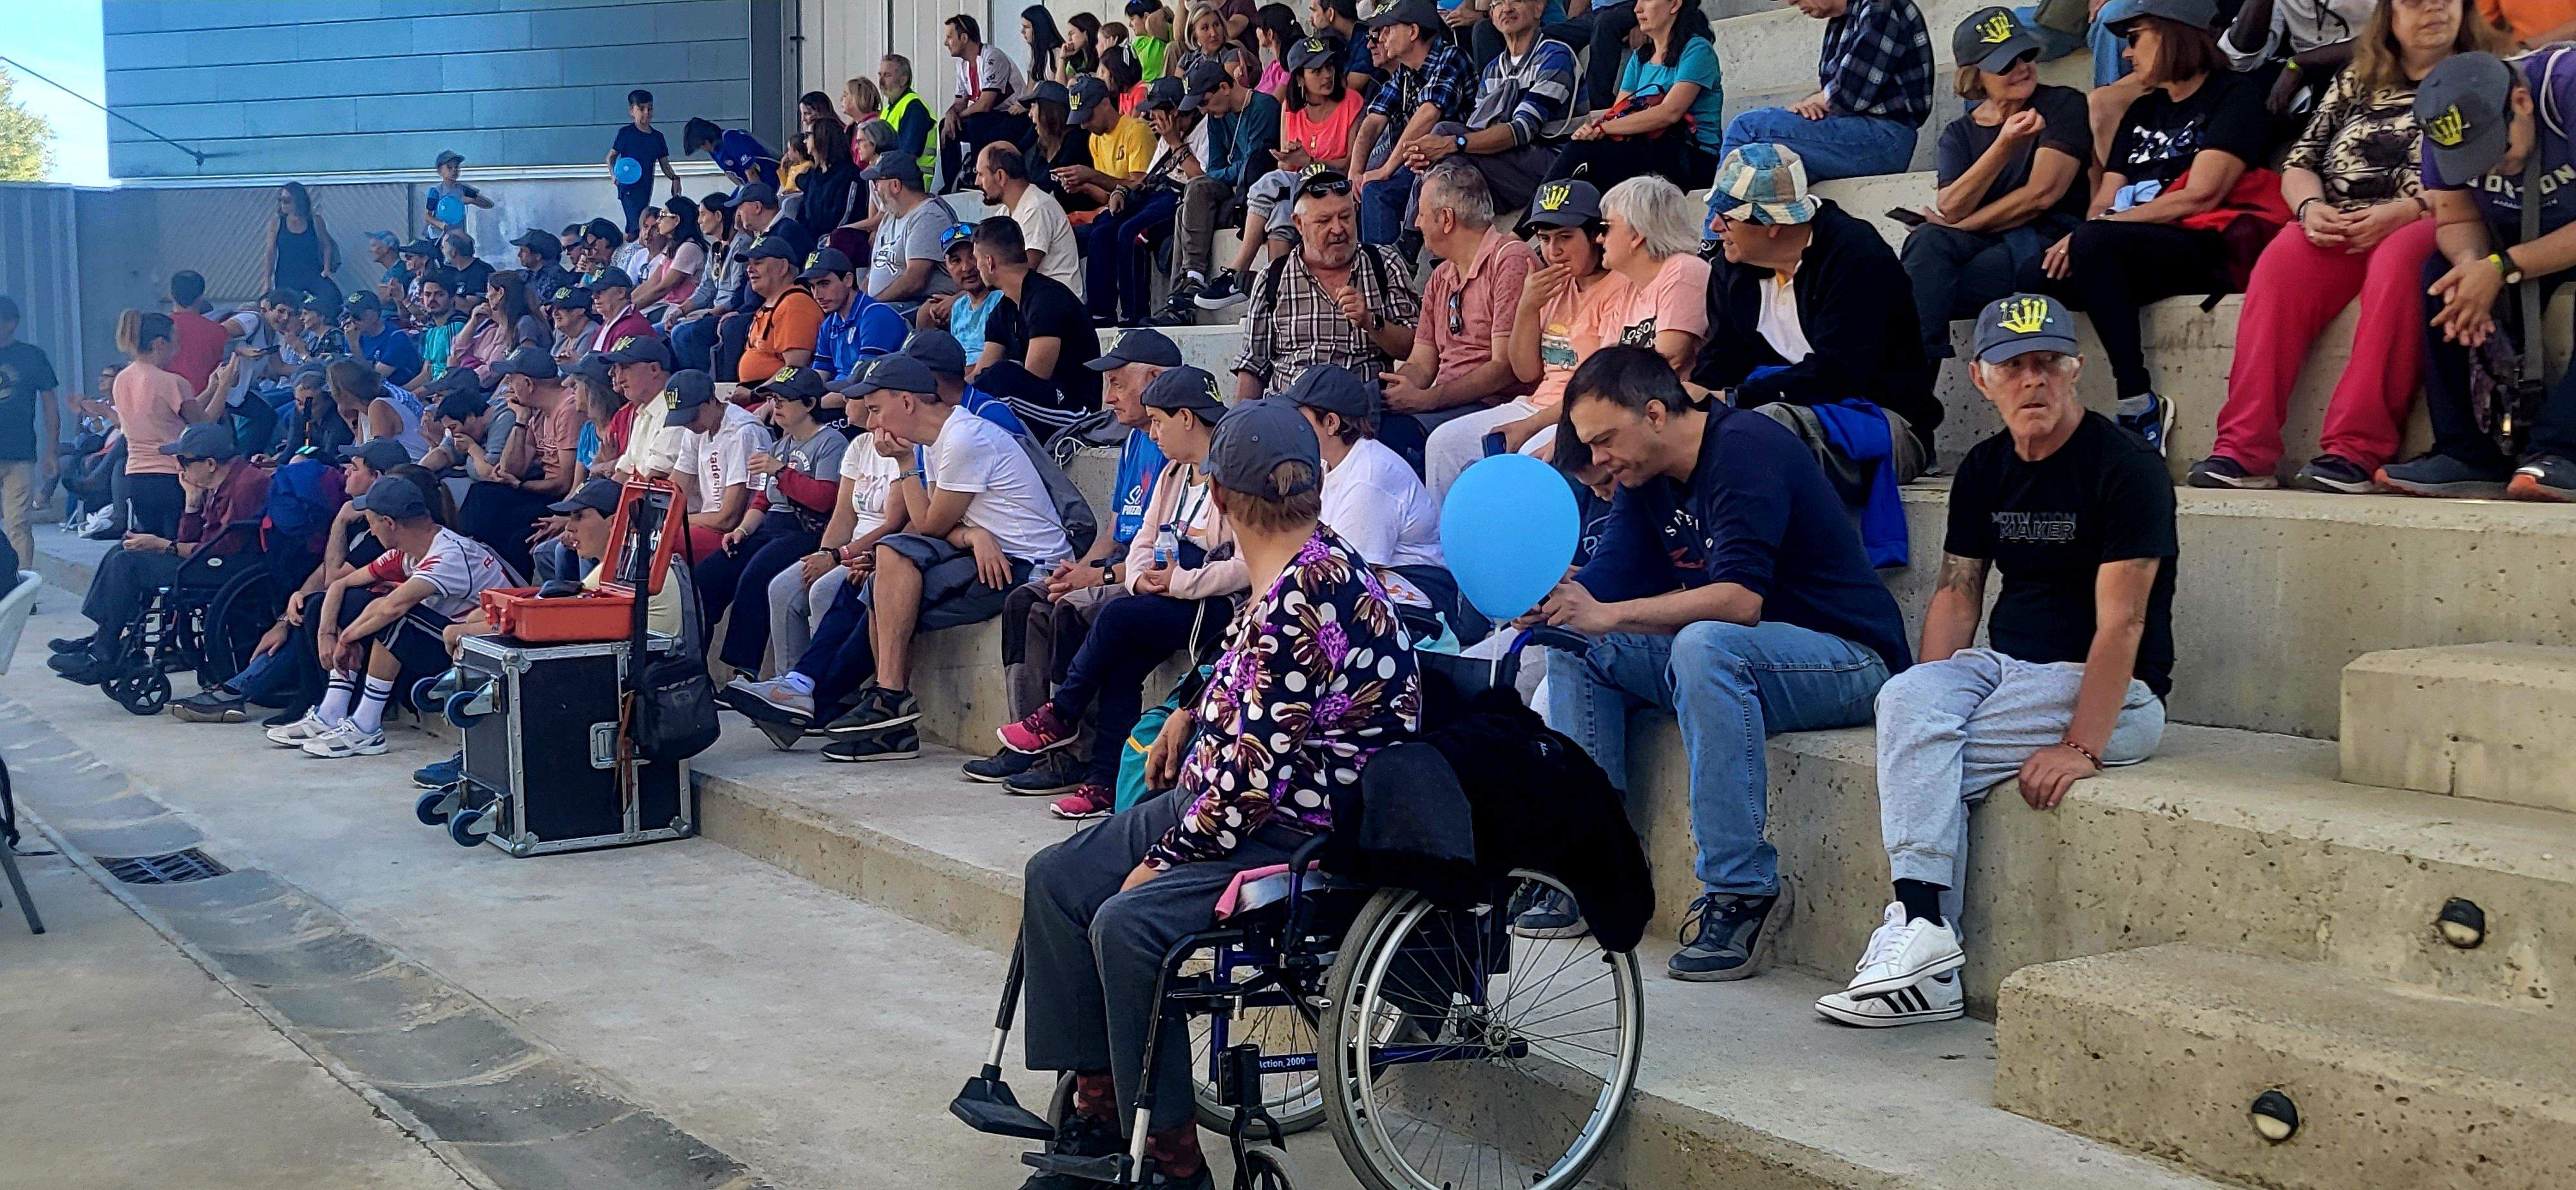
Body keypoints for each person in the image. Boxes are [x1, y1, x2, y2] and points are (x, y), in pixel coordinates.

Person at [1016, 396, 1418, 1188]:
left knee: (1127, 923)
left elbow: (1250, 785)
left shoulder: (1304, 596)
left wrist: (1163, 861)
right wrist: (1192, 710)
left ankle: (1170, 1156)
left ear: (1223, 499)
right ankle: (1100, 1107)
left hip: (1291, 827)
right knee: (1054, 879)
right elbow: (1254, 679)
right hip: (1227, 799)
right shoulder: (1308, 560)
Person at [1821, 292, 2174, 1026]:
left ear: (2075, 370)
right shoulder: (1984, 467)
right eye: (2012, 366)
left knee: (1926, 755)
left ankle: (1920, 938)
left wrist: (2082, 744)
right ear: (1981, 379)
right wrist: (1925, 688)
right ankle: (1925, 938)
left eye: (2048, 362)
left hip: (2114, 692)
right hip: (2005, 668)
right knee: (1905, 708)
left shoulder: (2126, 467)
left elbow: (2125, 621)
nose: (2032, 380)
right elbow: (1956, 592)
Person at [1530, 346, 1909, 980]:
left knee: (1703, 642)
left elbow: (1740, 602)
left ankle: (1741, 888)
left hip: (1845, 659)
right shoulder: (1641, 479)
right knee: (1573, 641)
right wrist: (1555, 602)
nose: (1595, 461)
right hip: (1741, 660)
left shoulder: (1746, 450)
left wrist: (1609, 614)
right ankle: (1593, 858)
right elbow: (1609, 579)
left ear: (1654, 413)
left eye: (1602, 441)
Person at [2192, 0, 2490, 493]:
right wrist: (2310, 210)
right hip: (2339, 217)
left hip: (2431, 216)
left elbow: (2491, 171)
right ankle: (2244, 450)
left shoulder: (2486, 76)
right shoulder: (2360, 76)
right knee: (2281, 262)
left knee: (2399, 265)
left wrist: (2406, 211)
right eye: (2415, 0)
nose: (2434, 7)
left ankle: (2357, 448)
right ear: (2388, 15)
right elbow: (2301, 161)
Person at [726, 355, 1072, 761]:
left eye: (875, 409)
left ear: (906, 402)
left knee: (888, 570)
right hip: (986, 554)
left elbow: (927, 525)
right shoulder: (941, 438)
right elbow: (942, 526)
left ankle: (876, 703)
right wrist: (973, 534)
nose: (871, 424)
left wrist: (905, 465)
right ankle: (878, 706)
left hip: (1026, 565)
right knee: (882, 566)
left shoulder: (963, 438)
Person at [996, 365, 1245, 820]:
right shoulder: (1173, 474)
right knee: (1122, 664)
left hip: (1215, 606)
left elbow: (1247, 565)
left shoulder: (1232, 474)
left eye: (1159, 422)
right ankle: (1104, 784)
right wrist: (1138, 578)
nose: (1152, 434)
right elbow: (1142, 542)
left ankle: (1061, 714)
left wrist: (1178, 583)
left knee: (1117, 619)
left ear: (1187, 418)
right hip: (1166, 595)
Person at [2024, 0, 2269, 457]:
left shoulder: (2234, 95)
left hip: (2202, 246)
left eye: (2136, 38)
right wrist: (2085, 233)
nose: (2126, 55)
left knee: (2094, 243)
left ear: (2175, 33)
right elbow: (2105, 197)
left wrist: (2096, 231)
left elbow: (2202, 194)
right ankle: (2053, 415)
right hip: (2130, 248)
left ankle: (2137, 401)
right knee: (2030, 275)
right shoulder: (2142, 111)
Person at [967, 331, 1176, 793]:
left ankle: (1073, 755)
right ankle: (1028, 742)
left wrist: (1094, 577)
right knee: (1028, 600)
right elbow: (1113, 529)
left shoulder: (1177, 447)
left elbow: (1165, 557)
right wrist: (1076, 568)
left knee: (1073, 610)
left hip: (1145, 578)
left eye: (1119, 383)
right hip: (1115, 565)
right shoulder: (1133, 443)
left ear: (1157, 380)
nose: (1108, 397)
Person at [2376, 50, 2576, 499]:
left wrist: (2501, 267)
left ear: (2521, 103)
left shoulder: (2567, 88)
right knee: (2441, 275)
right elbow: (2453, 217)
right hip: (2516, 232)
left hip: (2557, 231)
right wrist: (2471, 265)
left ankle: (2564, 452)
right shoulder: (2443, 120)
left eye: (2494, 150)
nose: (2486, 168)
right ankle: (2467, 452)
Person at [1693, 144, 1940, 482]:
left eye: (1728, 216)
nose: (1715, 226)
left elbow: (1841, 372)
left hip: (1880, 420)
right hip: (1775, 412)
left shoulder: (1856, 256)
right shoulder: (1732, 266)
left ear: (1771, 223)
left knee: (1767, 428)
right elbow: (1721, 357)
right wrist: (1688, 400)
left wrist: (1737, 398)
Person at [1903, 8, 2094, 364]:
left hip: (2047, 243)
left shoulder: (2063, 103)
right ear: (1976, 76)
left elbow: (2041, 196)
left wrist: (1961, 228)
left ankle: (1912, 393)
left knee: (1920, 290)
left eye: (2026, 55)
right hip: (1986, 243)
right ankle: (1915, 386)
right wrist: (2003, 146)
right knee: (1926, 242)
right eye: (2006, 63)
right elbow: (1953, 204)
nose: (2022, 67)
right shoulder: (1959, 133)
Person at [293, 475, 520, 759]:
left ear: (389, 522)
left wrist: (347, 639)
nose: (371, 532)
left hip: (486, 650)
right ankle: (332, 711)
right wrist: (327, 634)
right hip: (452, 643)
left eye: (371, 523)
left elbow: (393, 608)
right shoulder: (406, 553)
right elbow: (340, 583)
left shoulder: (449, 553)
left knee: (399, 618)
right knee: (361, 603)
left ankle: (366, 727)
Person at [48, 422, 269, 687]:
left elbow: (221, 549)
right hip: (210, 560)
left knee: (128, 563)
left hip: (229, 568)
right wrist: (191, 502)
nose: (180, 468)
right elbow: (191, 540)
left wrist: (163, 546)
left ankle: (104, 651)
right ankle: (104, 637)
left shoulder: (245, 486)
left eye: (184, 461)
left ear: (210, 463)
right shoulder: (213, 483)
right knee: (122, 550)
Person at [1382, 161, 1538, 495]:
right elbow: (1422, 364)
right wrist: (1394, 391)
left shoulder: (1509, 260)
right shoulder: (1440, 277)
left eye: (1423, 214)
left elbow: (1504, 369)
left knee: (1395, 440)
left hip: (1493, 406)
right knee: (1365, 425)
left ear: (1447, 219)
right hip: (1450, 405)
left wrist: (1427, 400)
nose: (1416, 222)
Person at [1368, 0, 1576, 250]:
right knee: (1443, 160)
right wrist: (1436, 150)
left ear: (1539, 8)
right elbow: (1480, 132)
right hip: (1504, 170)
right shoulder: (1493, 69)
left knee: (1445, 134)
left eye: (1516, 0)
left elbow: (1521, 131)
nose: (1506, 8)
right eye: (1498, 3)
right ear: (1491, 14)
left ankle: (1410, 244)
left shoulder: (1556, 55)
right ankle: (1432, 250)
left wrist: (1452, 144)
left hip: (1552, 169)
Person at [1195, 37, 1364, 308]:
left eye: (1329, 66)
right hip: (1301, 188)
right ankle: (1275, 299)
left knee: (1270, 182)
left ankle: (1238, 272)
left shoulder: (1351, 102)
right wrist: (1291, 161)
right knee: (1280, 215)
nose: (1327, 75)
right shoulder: (1291, 108)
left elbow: (1350, 164)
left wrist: (1308, 160)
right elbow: (1286, 166)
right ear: (1299, 78)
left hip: (1336, 185)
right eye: (1316, 70)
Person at [1233, 171, 1421, 411]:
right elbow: (1253, 365)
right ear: (1298, 224)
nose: (1338, 229)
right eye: (1324, 221)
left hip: (1363, 411)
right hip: (1292, 414)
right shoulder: (1273, 277)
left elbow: (1414, 350)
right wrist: (1240, 425)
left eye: (1345, 217)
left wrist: (1371, 321)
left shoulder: (1384, 264)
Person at [704, 366, 849, 672]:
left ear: (809, 404)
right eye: (774, 400)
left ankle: (743, 668)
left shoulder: (830, 442)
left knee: (756, 575)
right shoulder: (780, 445)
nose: (776, 406)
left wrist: (781, 472)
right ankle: (692, 664)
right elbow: (762, 498)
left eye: (784, 400)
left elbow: (825, 500)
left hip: (805, 531)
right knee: (711, 574)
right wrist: (742, 530)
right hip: (769, 526)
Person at [1280, 364, 1445, 613]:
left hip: (1418, 594)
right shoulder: (1329, 462)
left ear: (1331, 423)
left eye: (1300, 420)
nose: (1292, 428)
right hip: (1371, 578)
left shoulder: (1368, 478)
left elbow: (1343, 573)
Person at [1495, 180, 1631, 471]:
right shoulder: (1551, 287)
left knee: (1525, 459)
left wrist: (1530, 426)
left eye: (1565, 237)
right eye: (1544, 239)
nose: (1553, 250)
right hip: (1537, 403)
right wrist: (1527, 307)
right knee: (1446, 442)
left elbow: (1600, 383)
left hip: (1582, 410)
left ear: (1596, 235)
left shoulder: (1621, 286)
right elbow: (1526, 371)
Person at [1548, 0, 1724, 191]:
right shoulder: (1641, 57)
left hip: (1691, 157)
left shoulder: (1697, 50)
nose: (1637, 9)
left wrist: (1603, 128)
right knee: (1581, 150)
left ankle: (1538, 219)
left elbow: (1669, 113)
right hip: (1647, 148)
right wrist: (1593, 129)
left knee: (1586, 154)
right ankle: (1545, 219)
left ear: (1675, 4)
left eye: (1647, 0)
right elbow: (1620, 111)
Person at [1154, 60, 1285, 315]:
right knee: (1189, 201)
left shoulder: (1263, 106)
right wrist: (1232, 170)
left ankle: (1194, 277)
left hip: (1255, 197)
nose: (1202, 111)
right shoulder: (1216, 117)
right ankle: (1181, 291)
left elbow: (1254, 167)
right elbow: (1214, 169)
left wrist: (1231, 170)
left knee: (1198, 190)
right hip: (1231, 192)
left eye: (1204, 102)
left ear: (1225, 87)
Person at [971, 217, 1106, 438]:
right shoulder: (1003, 309)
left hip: (1077, 412)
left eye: (976, 260)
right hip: (1037, 407)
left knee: (1003, 377)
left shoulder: (1046, 299)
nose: (976, 267)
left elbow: (1034, 378)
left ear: (989, 262)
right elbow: (980, 373)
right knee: (989, 382)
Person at [1082, 79, 1201, 326]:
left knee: (1132, 232)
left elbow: (1201, 181)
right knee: (1102, 230)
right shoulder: (1163, 138)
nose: (1151, 116)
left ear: (1174, 112)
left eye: (1157, 111)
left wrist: (1175, 141)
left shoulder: (1203, 129)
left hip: (1181, 198)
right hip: (1156, 194)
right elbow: (1149, 178)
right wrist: (1121, 191)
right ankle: (1100, 313)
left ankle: (1134, 315)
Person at [1347, 0, 1480, 211]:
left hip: (1458, 161)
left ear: (1413, 32)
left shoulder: (1451, 57)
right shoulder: (1404, 72)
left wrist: (1385, 170)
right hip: (1420, 160)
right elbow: (1374, 119)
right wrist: (1355, 173)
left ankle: (1399, 244)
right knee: (1362, 191)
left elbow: (1428, 114)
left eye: (1388, 30)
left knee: (1379, 191)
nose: (1381, 39)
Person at [112, 311, 231, 538]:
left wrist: (211, 388)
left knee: (152, 544)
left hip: (137, 474)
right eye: (175, 345)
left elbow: (173, 411)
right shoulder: (172, 381)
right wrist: (224, 387)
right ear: (160, 344)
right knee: (177, 543)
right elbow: (203, 423)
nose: (176, 352)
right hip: (172, 475)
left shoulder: (122, 379)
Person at [1593, 175, 1711, 381]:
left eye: (1606, 228)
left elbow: (1668, 361)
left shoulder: (1683, 270)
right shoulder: (1630, 286)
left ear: (1636, 236)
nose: (1599, 238)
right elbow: (1602, 368)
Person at [663, 369, 775, 562]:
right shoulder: (697, 429)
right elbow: (675, 487)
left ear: (711, 401)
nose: (687, 423)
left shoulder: (744, 432)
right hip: (707, 523)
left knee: (668, 539)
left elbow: (728, 519)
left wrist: (672, 521)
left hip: (739, 534)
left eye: (692, 416)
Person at [976, 142, 1087, 296]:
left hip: (1055, 307)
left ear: (1001, 176)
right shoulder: (1004, 213)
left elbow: (1021, 274)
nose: (977, 182)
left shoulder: (1037, 208)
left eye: (981, 175)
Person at [0, 296, 61, 563]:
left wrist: (52, 452)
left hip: (20, 451)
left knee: (19, 523)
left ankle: (22, 589)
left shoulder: (32, 356)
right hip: (19, 451)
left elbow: (50, 406)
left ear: (12, 323)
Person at [863, 156, 965, 310]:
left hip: (921, 304)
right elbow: (875, 268)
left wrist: (871, 305)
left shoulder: (928, 215)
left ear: (896, 185)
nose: (876, 190)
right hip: (886, 305)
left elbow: (915, 281)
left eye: (878, 183)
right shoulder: (891, 215)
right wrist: (859, 304)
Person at [944, 14, 1034, 189]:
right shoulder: (961, 65)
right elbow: (960, 103)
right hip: (991, 117)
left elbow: (986, 104)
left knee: (977, 122)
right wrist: (951, 114)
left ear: (964, 38)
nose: (946, 43)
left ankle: (979, 178)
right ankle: (951, 184)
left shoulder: (992, 57)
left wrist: (958, 116)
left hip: (1014, 116)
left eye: (949, 37)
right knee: (946, 128)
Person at [805, 247, 909, 383]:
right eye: (812, 287)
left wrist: (815, 403)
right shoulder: (829, 325)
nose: (817, 295)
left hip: (874, 395)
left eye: (824, 284)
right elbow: (819, 375)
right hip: (843, 394)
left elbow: (864, 381)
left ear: (848, 280)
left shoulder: (876, 316)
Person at [1059, 75, 1157, 214]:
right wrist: (1083, 186)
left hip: (1141, 211)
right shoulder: (1095, 139)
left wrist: (1092, 176)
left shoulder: (1136, 132)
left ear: (1105, 104)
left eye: (1088, 117)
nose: (1083, 125)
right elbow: (1107, 198)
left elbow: (1141, 187)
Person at [735, 236, 826, 385]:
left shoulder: (795, 304)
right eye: (749, 265)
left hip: (775, 399)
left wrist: (755, 394)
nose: (749, 270)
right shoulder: (773, 303)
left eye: (758, 263)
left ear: (783, 267)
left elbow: (795, 369)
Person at [920, 225, 1010, 359]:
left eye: (973, 257)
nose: (966, 267)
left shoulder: (1003, 301)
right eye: (956, 261)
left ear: (988, 259)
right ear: (947, 268)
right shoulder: (959, 307)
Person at [610, 89, 685, 236]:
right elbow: (611, 157)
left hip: (646, 184)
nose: (646, 113)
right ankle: (634, 248)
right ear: (632, 111)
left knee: (643, 216)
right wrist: (613, 175)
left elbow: (664, 164)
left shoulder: (657, 138)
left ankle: (636, 246)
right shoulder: (626, 134)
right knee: (635, 222)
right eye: (641, 109)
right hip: (628, 185)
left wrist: (675, 178)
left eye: (650, 109)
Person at [265, 182, 340, 301]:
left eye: (287, 201)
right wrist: (267, 281)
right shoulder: (277, 223)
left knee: (332, 297)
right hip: (287, 276)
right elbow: (270, 252)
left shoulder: (315, 221)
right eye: (281, 200)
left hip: (313, 273)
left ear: (299, 201)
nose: (283, 204)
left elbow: (327, 246)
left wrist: (327, 269)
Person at [165, 271, 230, 394]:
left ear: (171, 296)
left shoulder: (159, 328)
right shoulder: (218, 331)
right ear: (201, 296)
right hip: (207, 403)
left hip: (166, 401)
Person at [339, 292, 424, 386]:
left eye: (356, 316)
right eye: (349, 314)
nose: (351, 320)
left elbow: (373, 382)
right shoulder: (354, 334)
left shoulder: (397, 340)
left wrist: (354, 346)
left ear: (374, 315)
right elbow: (349, 371)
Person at [880, 54, 942, 180]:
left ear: (903, 80)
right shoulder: (888, 110)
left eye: (887, 75)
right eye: (880, 74)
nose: (881, 81)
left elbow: (908, 154)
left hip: (913, 185)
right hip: (895, 183)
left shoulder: (914, 108)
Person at [684, 118, 782, 190]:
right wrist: (742, 188)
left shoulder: (731, 138)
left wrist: (758, 198)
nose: (702, 149)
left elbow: (751, 171)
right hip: (752, 185)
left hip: (775, 180)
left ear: (706, 141)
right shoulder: (714, 151)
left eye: (701, 145)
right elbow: (729, 173)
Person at [424, 151, 494, 236]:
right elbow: (428, 216)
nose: (454, 170)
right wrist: (440, 224)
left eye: (456, 167)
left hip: (458, 237)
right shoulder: (436, 192)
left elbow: (489, 205)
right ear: (440, 171)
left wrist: (472, 201)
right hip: (438, 237)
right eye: (449, 167)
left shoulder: (464, 190)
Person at [443, 232, 495, 310]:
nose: (442, 251)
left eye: (444, 247)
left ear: (453, 252)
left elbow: (469, 306)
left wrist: (442, 295)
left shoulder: (481, 272)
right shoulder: (449, 272)